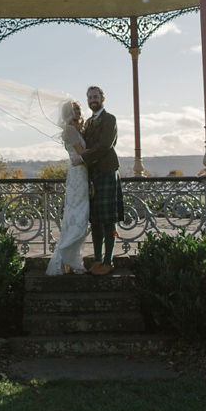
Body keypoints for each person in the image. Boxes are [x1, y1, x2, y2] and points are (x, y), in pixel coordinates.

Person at [80, 85, 123, 275]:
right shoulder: (88, 123)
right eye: (89, 98)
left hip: (106, 173)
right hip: (93, 175)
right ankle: (97, 261)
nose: (92, 100)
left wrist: (83, 158)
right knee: (96, 221)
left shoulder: (110, 119)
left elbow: (105, 144)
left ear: (103, 99)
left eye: (95, 97)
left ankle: (108, 261)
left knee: (108, 220)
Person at [45, 100, 89, 276]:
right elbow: (82, 152)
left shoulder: (79, 129)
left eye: (78, 108)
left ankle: (72, 260)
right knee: (78, 215)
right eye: (73, 109)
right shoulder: (70, 130)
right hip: (78, 174)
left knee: (80, 215)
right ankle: (66, 257)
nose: (77, 112)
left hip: (83, 173)